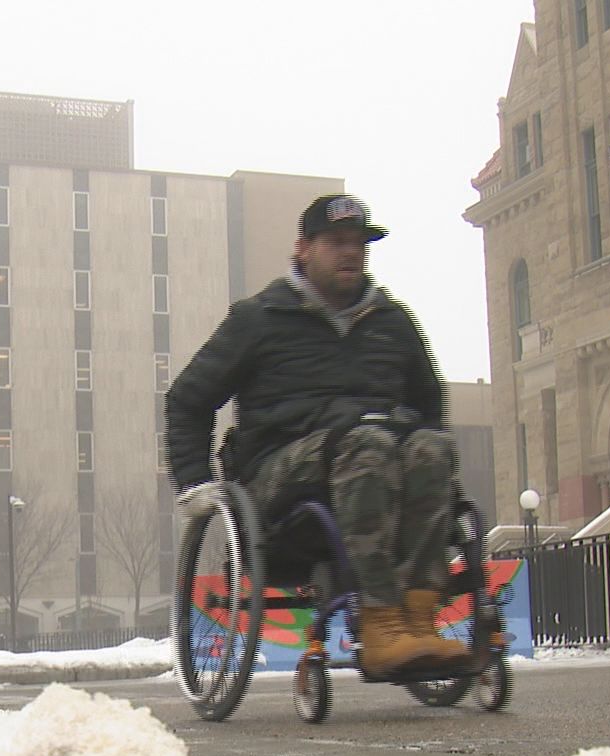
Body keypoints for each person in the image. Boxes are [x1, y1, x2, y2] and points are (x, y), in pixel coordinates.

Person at [164, 194, 468, 678]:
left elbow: (431, 404)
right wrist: (195, 483)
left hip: (379, 459)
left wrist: (416, 443)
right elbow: (188, 398)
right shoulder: (259, 319)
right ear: (303, 248)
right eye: (337, 242)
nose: (351, 253)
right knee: (367, 444)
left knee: (433, 447)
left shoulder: (395, 322)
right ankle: (381, 621)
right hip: (280, 472)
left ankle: (418, 617)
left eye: (360, 244)